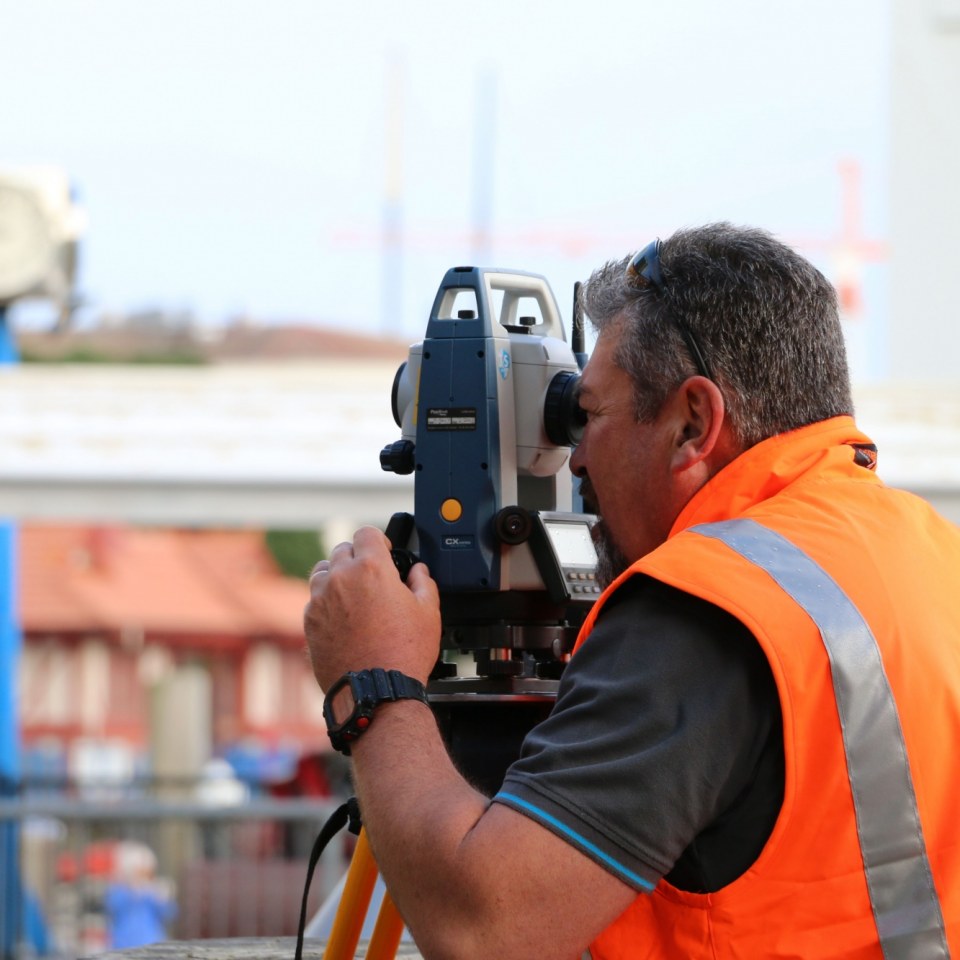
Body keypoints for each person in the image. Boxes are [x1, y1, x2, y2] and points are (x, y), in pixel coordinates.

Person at [303, 223, 960, 959]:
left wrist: (377, 680)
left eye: (592, 415)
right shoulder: (930, 552)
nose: (575, 457)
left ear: (694, 423)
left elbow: (485, 930)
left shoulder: (700, 611)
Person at [103, 841, 178, 950]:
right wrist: (132, 892)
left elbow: (171, 914)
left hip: (153, 945)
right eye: (140, 872)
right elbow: (112, 907)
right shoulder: (118, 890)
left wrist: (163, 899)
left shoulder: (153, 892)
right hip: (123, 946)